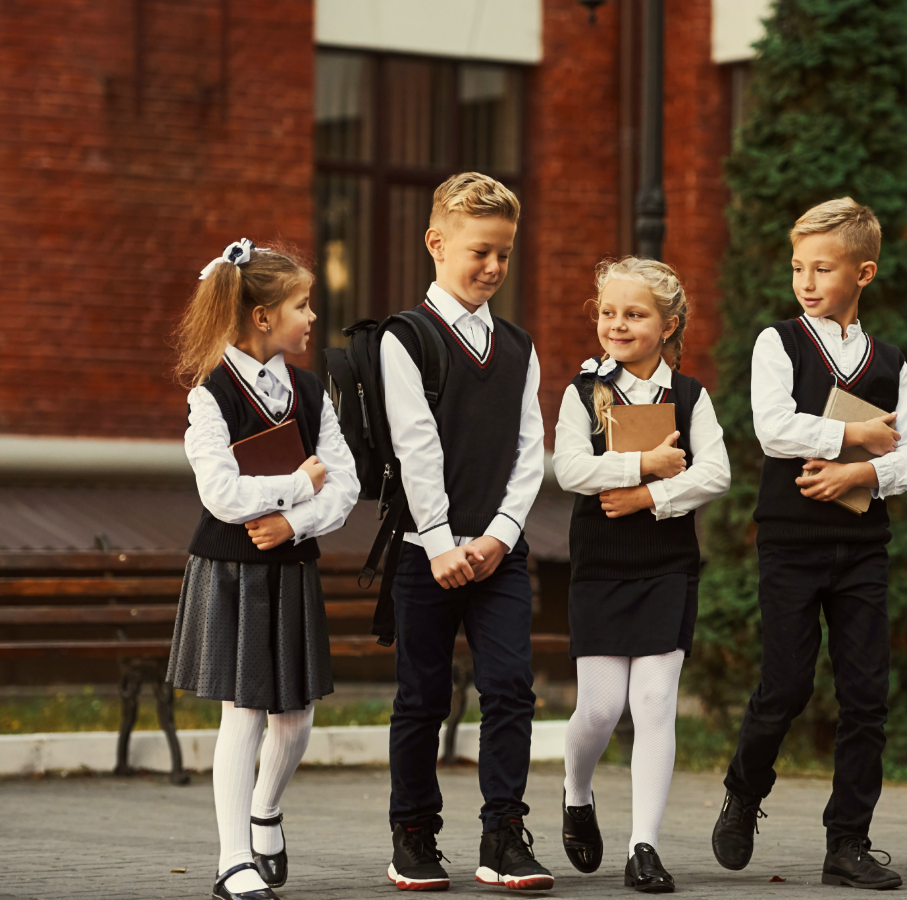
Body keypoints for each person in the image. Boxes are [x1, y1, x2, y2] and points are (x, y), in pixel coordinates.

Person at [711, 198, 907, 890]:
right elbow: (774, 429)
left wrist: (863, 472)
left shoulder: (892, 362)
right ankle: (745, 791)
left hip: (864, 548)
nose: (806, 281)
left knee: (867, 696)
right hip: (791, 543)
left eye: (824, 268)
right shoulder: (778, 342)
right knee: (787, 684)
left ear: (863, 273)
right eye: (798, 266)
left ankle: (848, 844)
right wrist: (857, 436)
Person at [166, 239, 361, 900]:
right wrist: (297, 486)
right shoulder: (209, 395)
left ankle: (266, 811)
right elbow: (219, 495)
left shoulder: (309, 390)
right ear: (261, 317)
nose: (312, 318)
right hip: (233, 571)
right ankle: (232, 863)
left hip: (290, 562)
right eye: (302, 306)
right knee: (244, 713)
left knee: (296, 718)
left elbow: (345, 483)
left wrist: (292, 519)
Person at [380, 173, 552, 892]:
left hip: (498, 554)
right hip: (427, 554)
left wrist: (502, 534)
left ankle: (503, 836)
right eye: (481, 251)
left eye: (505, 255)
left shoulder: (518, 346)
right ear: (436, 242)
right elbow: (416, 448)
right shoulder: (405, 338)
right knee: (421, 697)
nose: (493, 268)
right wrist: (446, 540)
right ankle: (413, 838)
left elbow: (529, 448)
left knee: (510, 688)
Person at [553, 257, 731, 893]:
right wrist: (643, 466)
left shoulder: (691, 396)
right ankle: (577, 792)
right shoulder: (582, 393)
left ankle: (644, 847)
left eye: (634, 314)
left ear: (668, 325)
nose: (617, 324)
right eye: (608, 312)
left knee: (654, 704)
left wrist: (652, 497)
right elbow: (570, 469)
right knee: (600, 709)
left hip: (666, 566)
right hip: (600, 567)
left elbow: (716, 474)